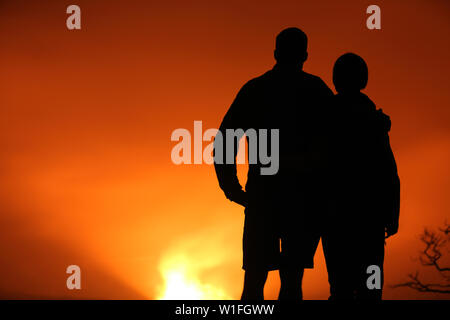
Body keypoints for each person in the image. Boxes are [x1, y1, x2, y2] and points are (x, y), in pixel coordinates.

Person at [213, 27, 333, 300]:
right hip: (300, 197)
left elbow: (225, 140)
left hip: (265, 195)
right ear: (305, 55)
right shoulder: (316, 90)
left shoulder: (256, 89)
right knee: (291, 280)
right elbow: (340, 141)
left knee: (255, 279)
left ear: (276, 52)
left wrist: (231, 187)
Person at [322, 53, 400, 300]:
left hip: (335, 217)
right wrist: (392, 214)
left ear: (336, 80)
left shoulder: (324, 117)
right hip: (370, 217)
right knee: (371, 287)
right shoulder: (373, 119)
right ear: (363, 79)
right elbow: (389, 171)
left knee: (339, 287)